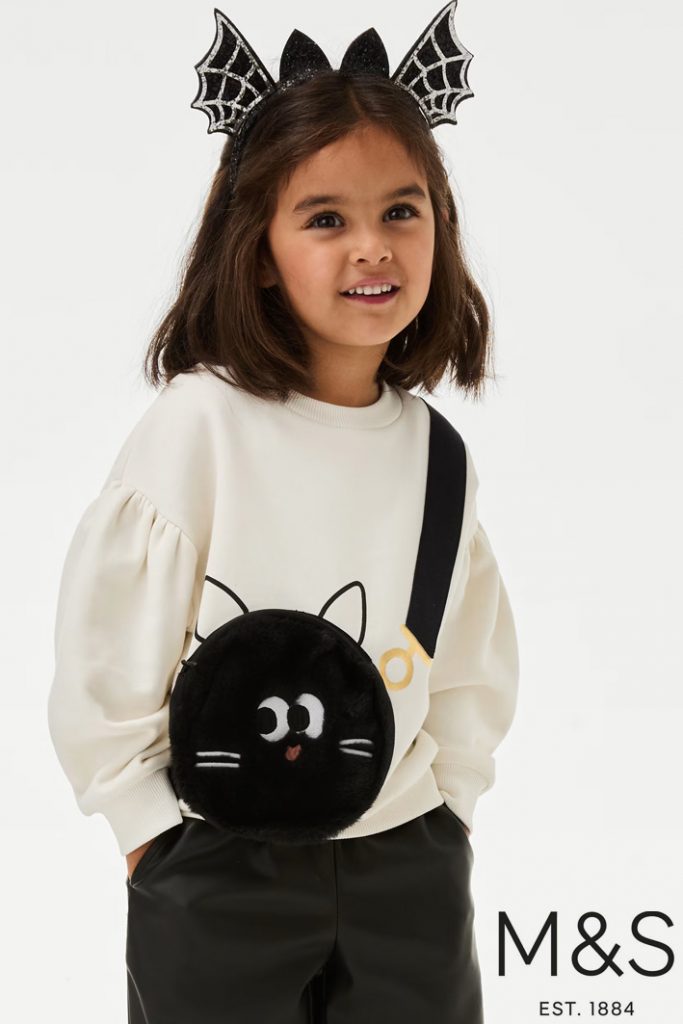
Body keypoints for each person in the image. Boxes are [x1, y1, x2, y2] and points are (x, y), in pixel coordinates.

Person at [47, 5, 519, 1022]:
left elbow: (468, 657)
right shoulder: (201, 425)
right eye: (325, 219)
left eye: (401, 211)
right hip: (219, 866)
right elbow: (108, 650)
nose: (372, 247)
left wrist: (451, 811)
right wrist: (148, 834)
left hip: (406, 863)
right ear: (258, 247)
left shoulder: (435, 455)